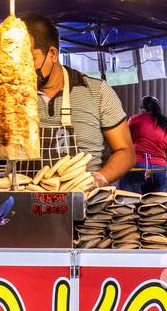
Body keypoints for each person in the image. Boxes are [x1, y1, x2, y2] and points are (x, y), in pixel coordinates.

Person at [23, 14, 135, 186]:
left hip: (82, 203)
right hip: (23, 204)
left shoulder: (97, 91)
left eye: (30, 60)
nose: (23, 68)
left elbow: (125, 151)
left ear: (53, 53)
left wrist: (97, 180)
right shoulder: (11, 99)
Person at [124, 96, 167, 194]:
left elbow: (125, 144)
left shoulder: (134, 120)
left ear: (142, 109)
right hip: (159, 168)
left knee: (130, 202)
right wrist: (158, 163)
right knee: (156, 206)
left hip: (136, 166)